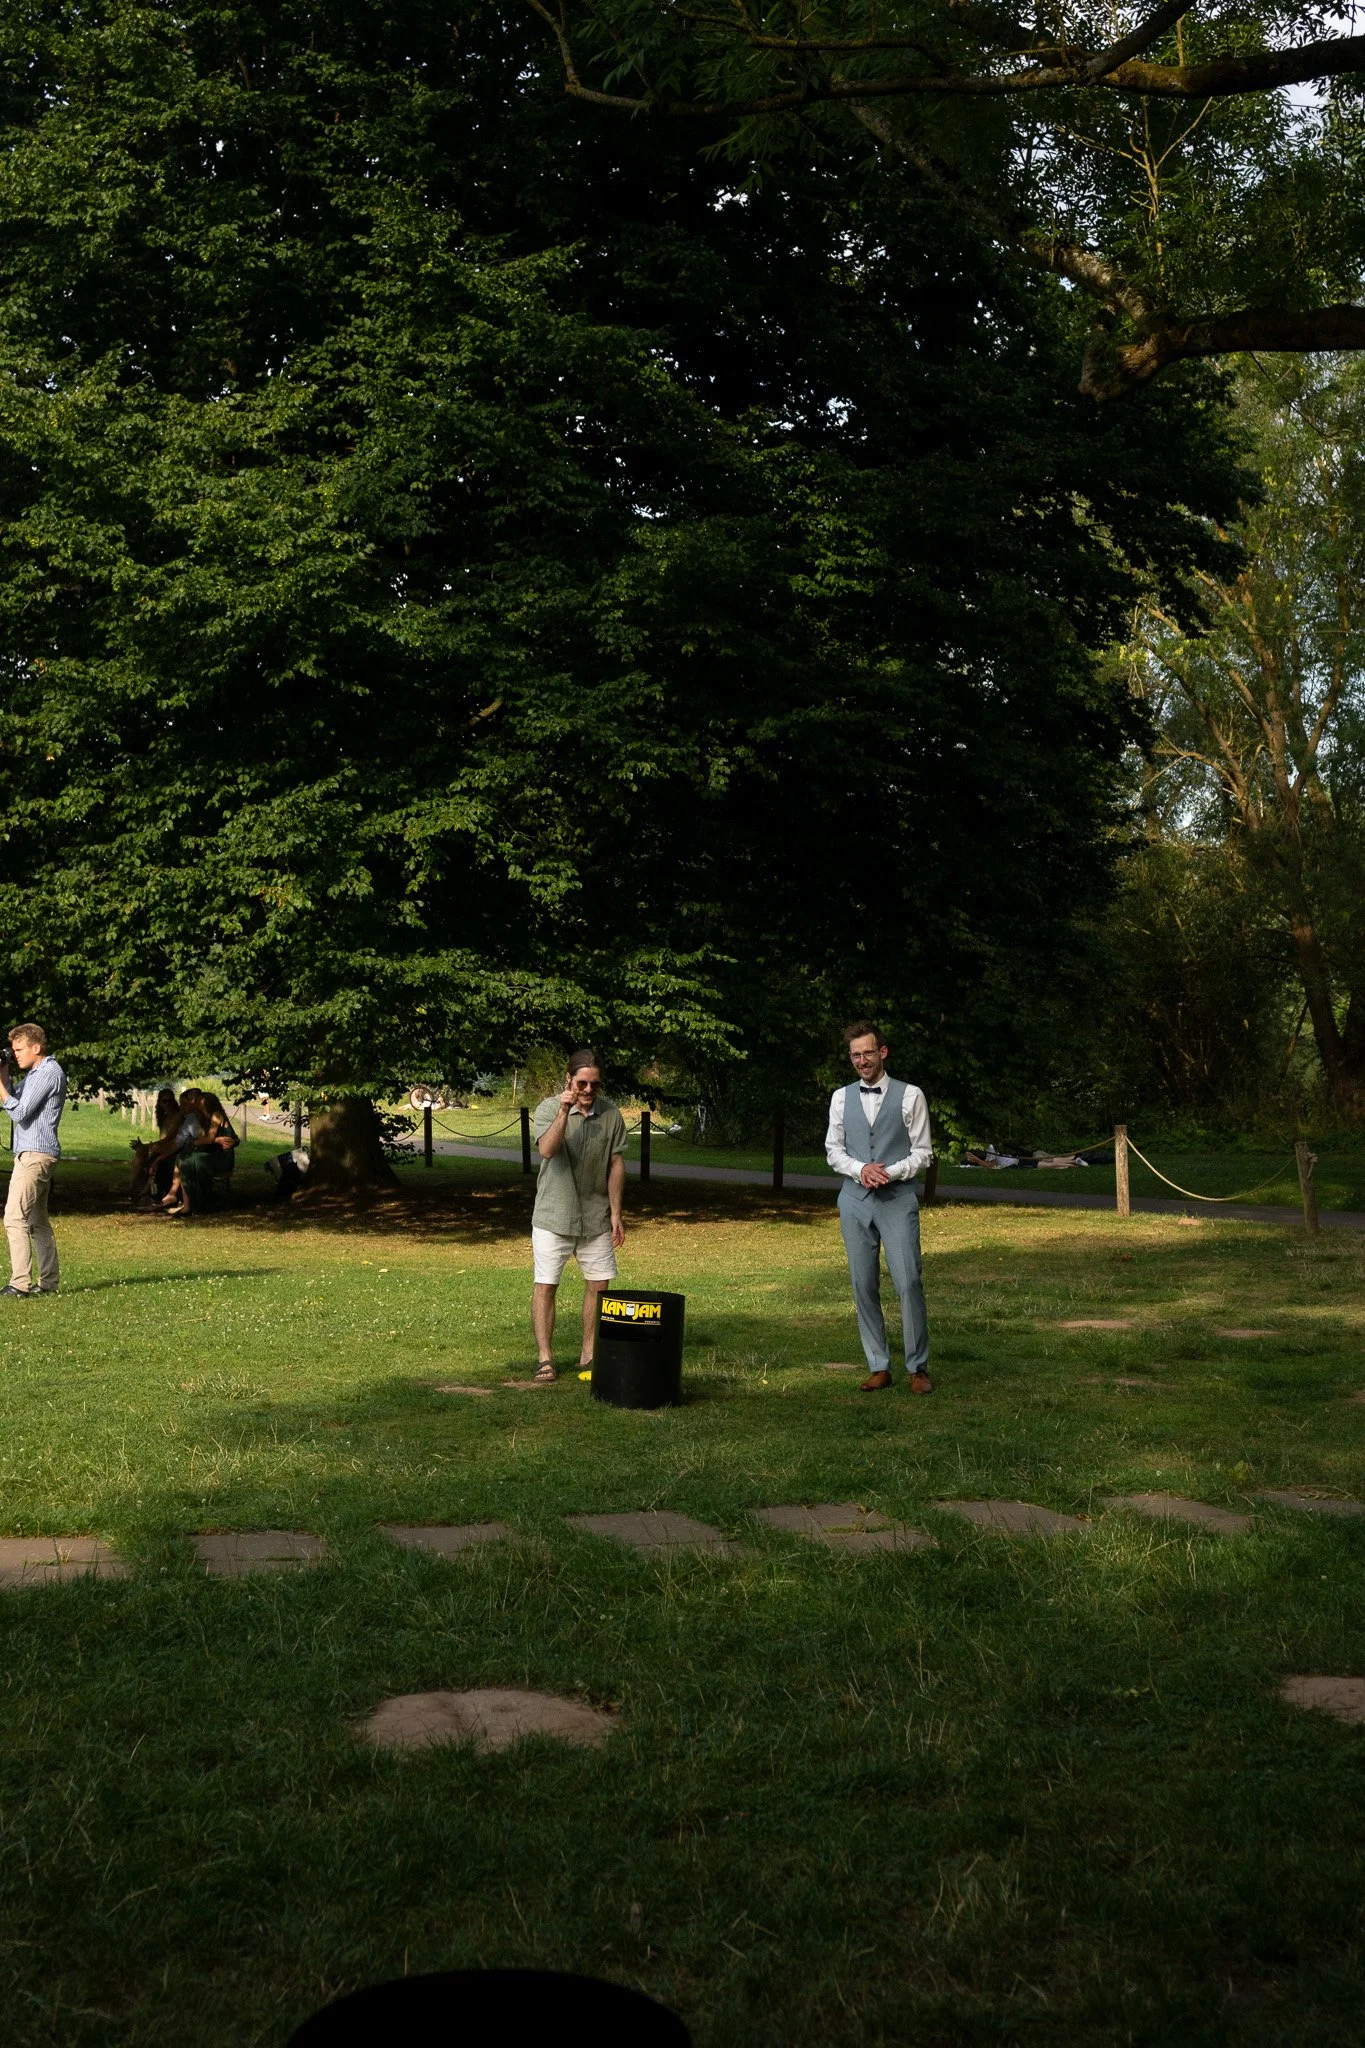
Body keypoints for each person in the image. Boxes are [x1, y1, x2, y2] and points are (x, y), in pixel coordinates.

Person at [825, 1019, 933, 1393]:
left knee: (908, 1280)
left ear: (882, 1052)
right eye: (856, 1055)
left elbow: (923, 1153)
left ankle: (917, 1367)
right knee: (862, 1283)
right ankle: (878, 1364)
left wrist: (889, 1171)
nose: (862, 1060)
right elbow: (833, 1151)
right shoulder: (840, 1098)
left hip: (897, 1198)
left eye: (868, 1052)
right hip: (854, 1200)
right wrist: (861, 1170)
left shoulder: (910, 1095)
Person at [530, 1048, 627, 1382]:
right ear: (568, 1080)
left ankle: (590, 1354)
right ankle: (545, 1358)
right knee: (546, 1286)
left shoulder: (611, 1115)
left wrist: (616, 1212)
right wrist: (564, 1110)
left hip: (595, 1215)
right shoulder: (548, 1108)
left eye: (594, 1085)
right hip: (554, 1214)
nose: (588, 1091)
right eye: (582, 1084)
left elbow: (616, 1163)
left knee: (599, 1286)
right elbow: (546, 1149)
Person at [0, 1023, 67, 1298]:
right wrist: (4, 1075)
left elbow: (20, 1112)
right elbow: (12, 1098)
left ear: (36, 1047)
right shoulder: (36, 1073)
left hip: (35, 1156)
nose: (15, 1055)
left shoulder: (48, 1072)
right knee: (38, 1221)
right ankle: (48, 1283)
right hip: (34, 1154)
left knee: (14, 1218)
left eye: (19, 1049)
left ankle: (19, 1284)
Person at [163, 1091, 239, 1215]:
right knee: (183, 1159)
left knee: (189, 1160)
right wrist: (203, 1141)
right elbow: (202, 1139)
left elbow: (208, 1139)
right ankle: (186, 1205)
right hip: (210, 1155)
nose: (198, 1104)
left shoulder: (216, 1115)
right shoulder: (204, 1118)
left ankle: (192, 1203)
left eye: (201, 1101)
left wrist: (207, 1141)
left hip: (222, 1158)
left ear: (208, 1103)